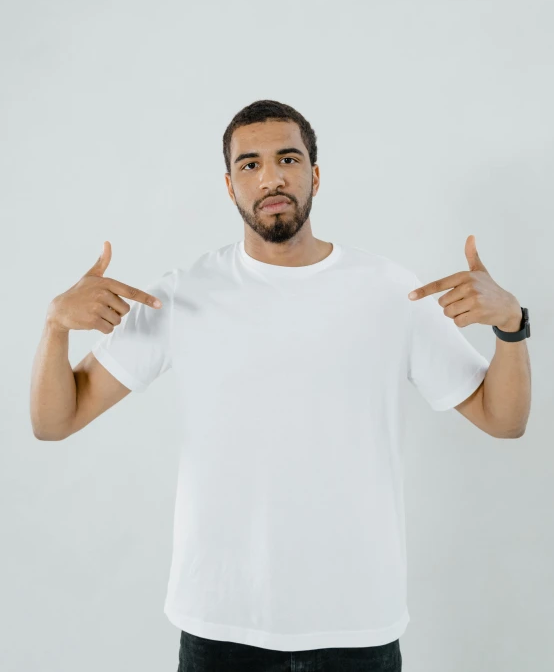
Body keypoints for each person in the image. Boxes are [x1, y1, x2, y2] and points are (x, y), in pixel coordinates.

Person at [33, 99, 520, 672]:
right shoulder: (183, 295)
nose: (271, 177)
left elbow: (502, 419)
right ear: (229, 185)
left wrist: (513, 325)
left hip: (356, 623)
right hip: (221, 624)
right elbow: (54, 422)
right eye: (250, 164)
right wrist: (55, 326)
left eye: (288, 158)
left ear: (314, 174)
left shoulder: (391, 292)